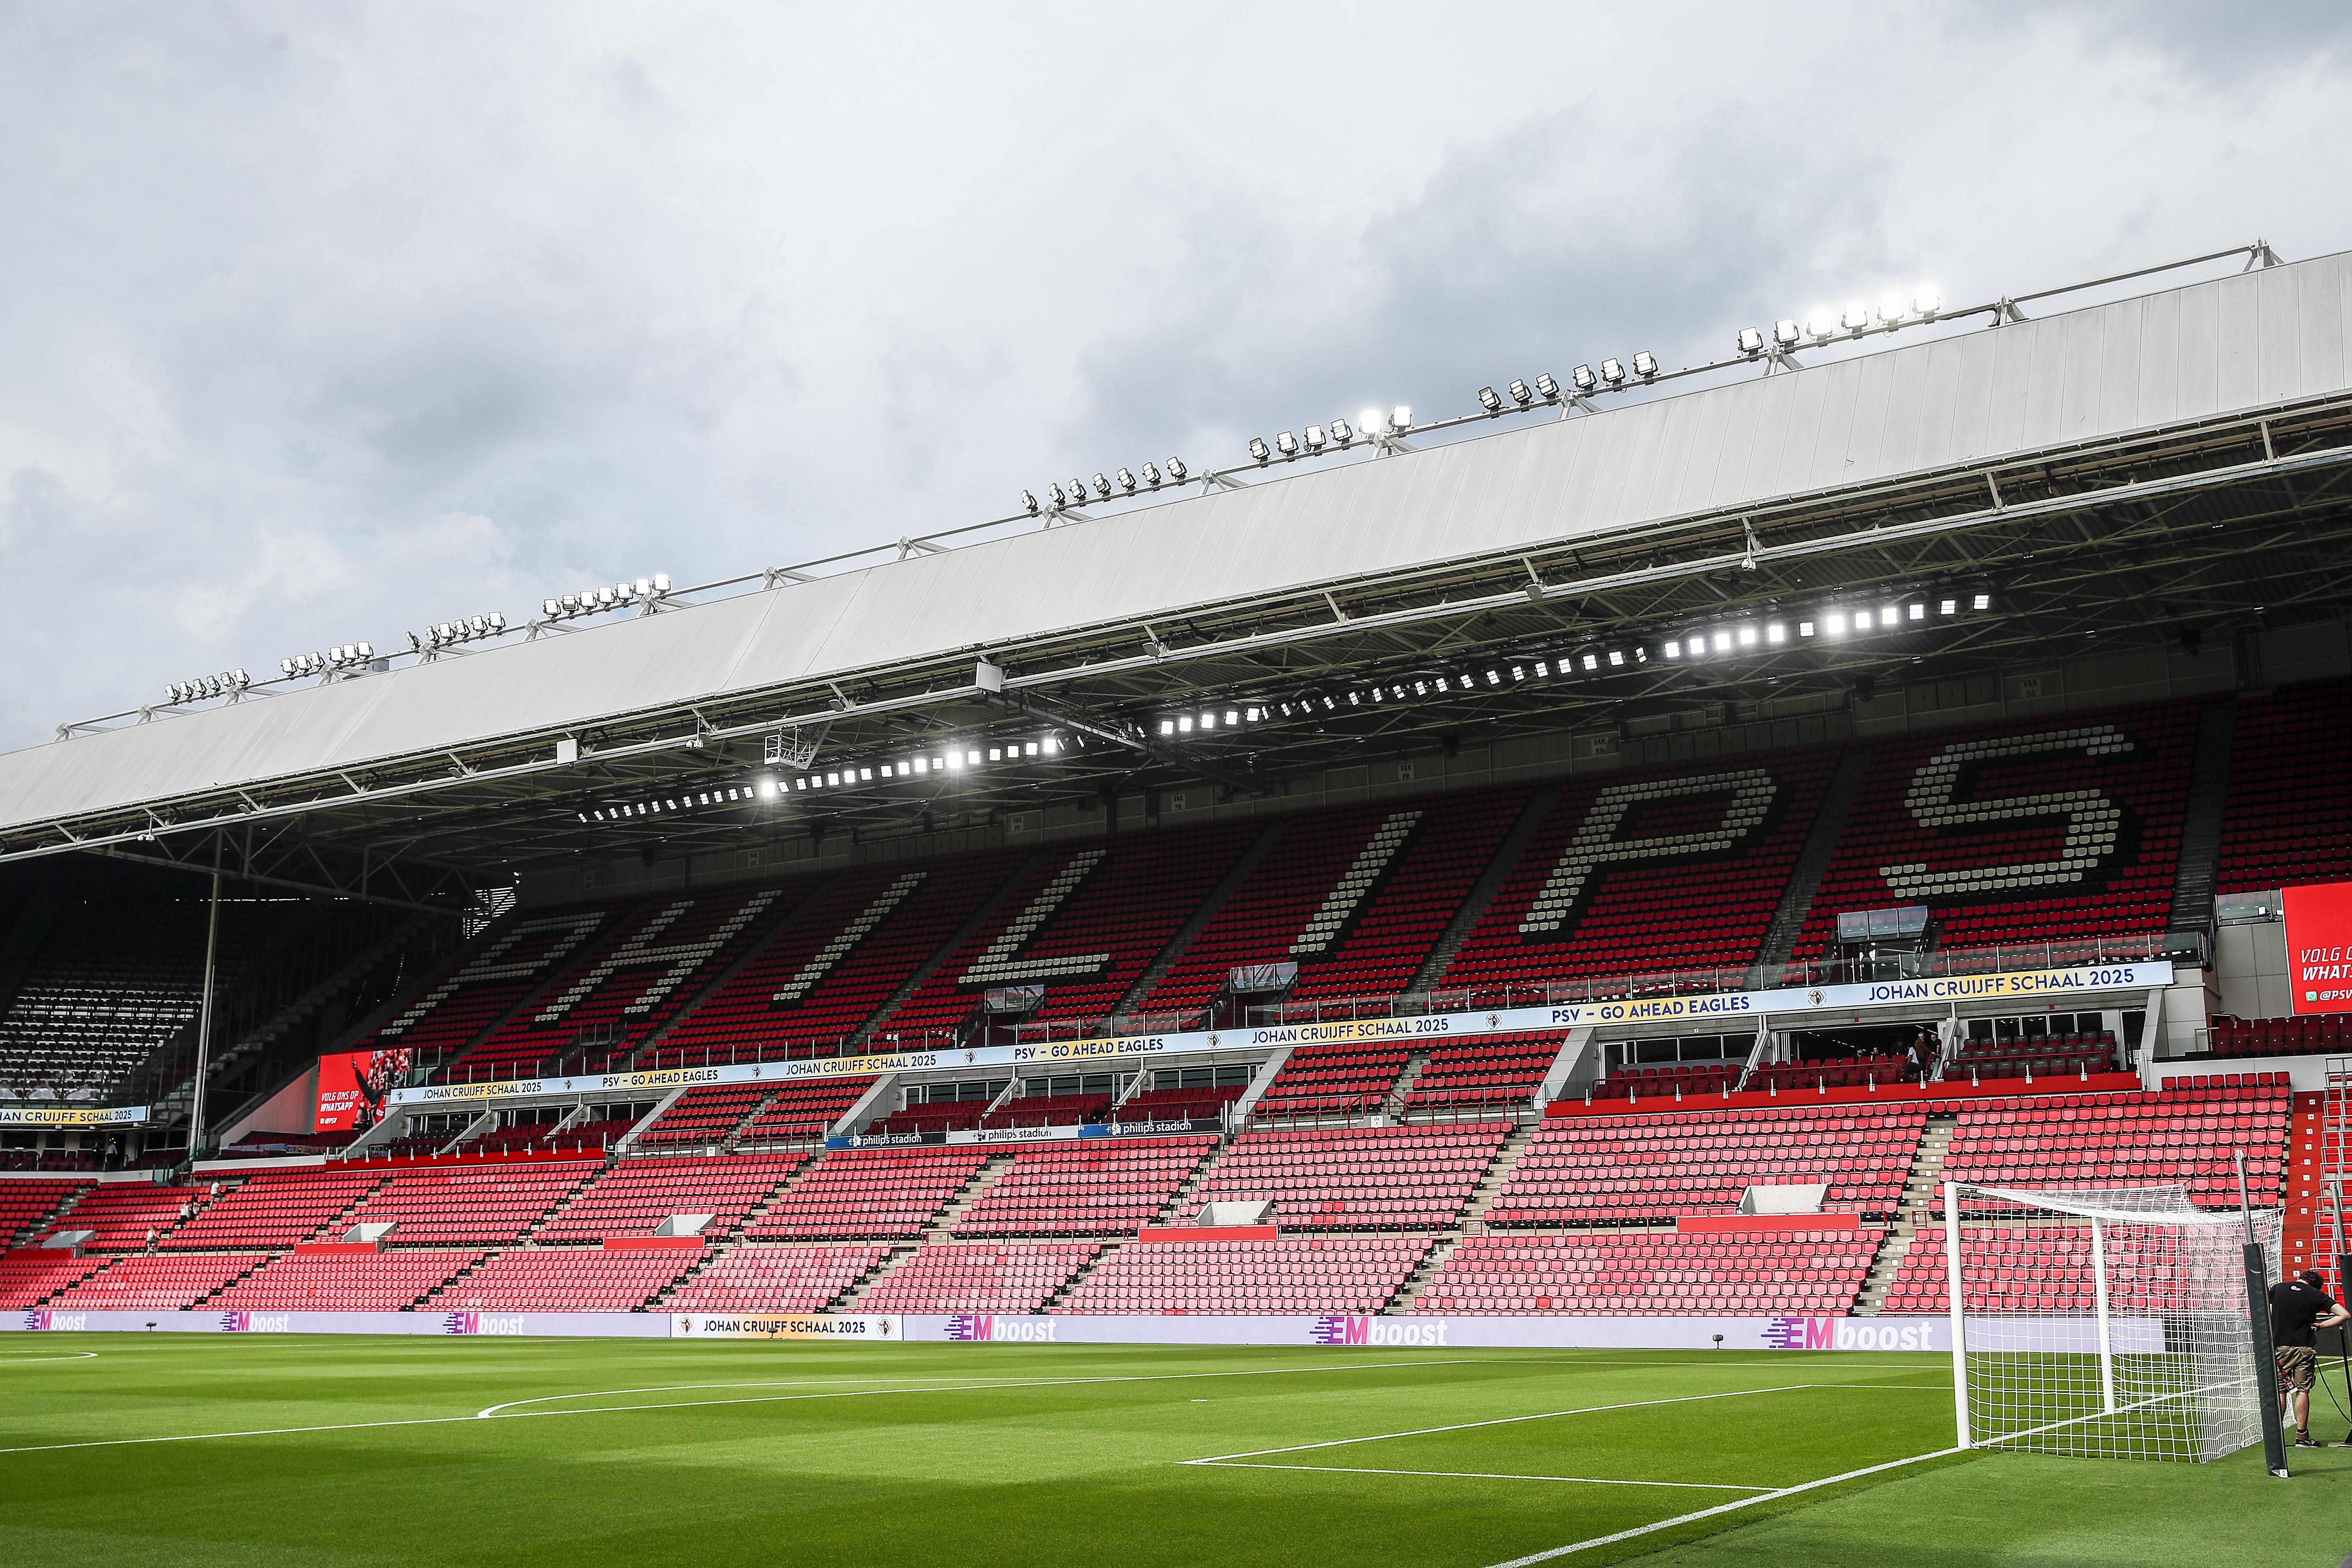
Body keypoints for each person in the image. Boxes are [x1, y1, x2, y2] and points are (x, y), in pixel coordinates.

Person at [2269, 1268, 2350, 1449]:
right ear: (2315, 1285)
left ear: (2300, 1278)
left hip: (2280, 1347)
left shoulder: (2279, 1288)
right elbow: (2345, 1314)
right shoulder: (2316, 1295)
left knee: (2280, 1391)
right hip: (2304, 1348)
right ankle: (2302, 1435)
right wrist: (2321, 1325)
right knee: (2302, 1391)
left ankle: (2275, 1435)